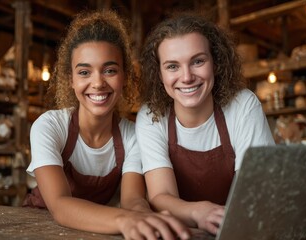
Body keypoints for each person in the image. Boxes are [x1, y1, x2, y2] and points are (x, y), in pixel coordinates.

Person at [25, 10, 191, 240]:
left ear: (124, 76)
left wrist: (146, 217)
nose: (98, 83)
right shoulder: (50, 126)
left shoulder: (132, 136)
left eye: (110, 70)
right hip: (36, 229)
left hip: (93, 232)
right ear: (71, 80)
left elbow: (132, 200)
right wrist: (125, 219)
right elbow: (60, 205)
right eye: (84, 72)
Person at [136, 12, 275, 235]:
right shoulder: (151, 116)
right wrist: (198, 212)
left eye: (198, 61)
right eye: (172, 66)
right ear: (159, 75)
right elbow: (161, 195)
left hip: (241, 230)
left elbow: (254, 190)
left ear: (216, 63)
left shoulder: (243, 105)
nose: (187, 77)